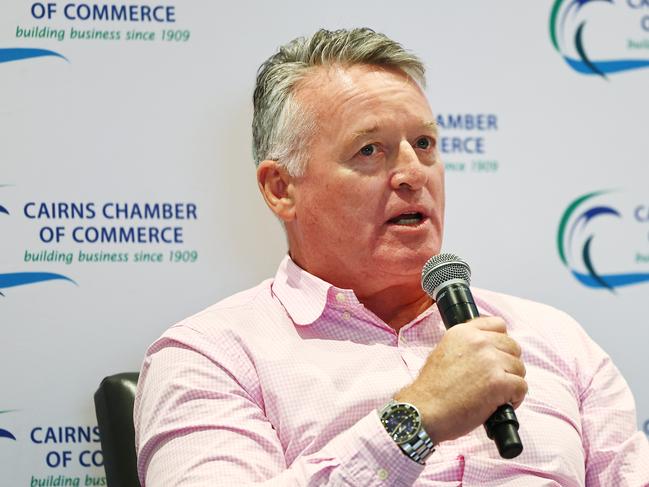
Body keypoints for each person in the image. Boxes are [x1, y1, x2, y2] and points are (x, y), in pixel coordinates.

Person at [133, 28, 649, 485]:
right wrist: (415, 420)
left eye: (424, 144)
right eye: (369, 150)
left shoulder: (556, 340)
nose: (412, 173)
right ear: (281, 188)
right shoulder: (210, 357)